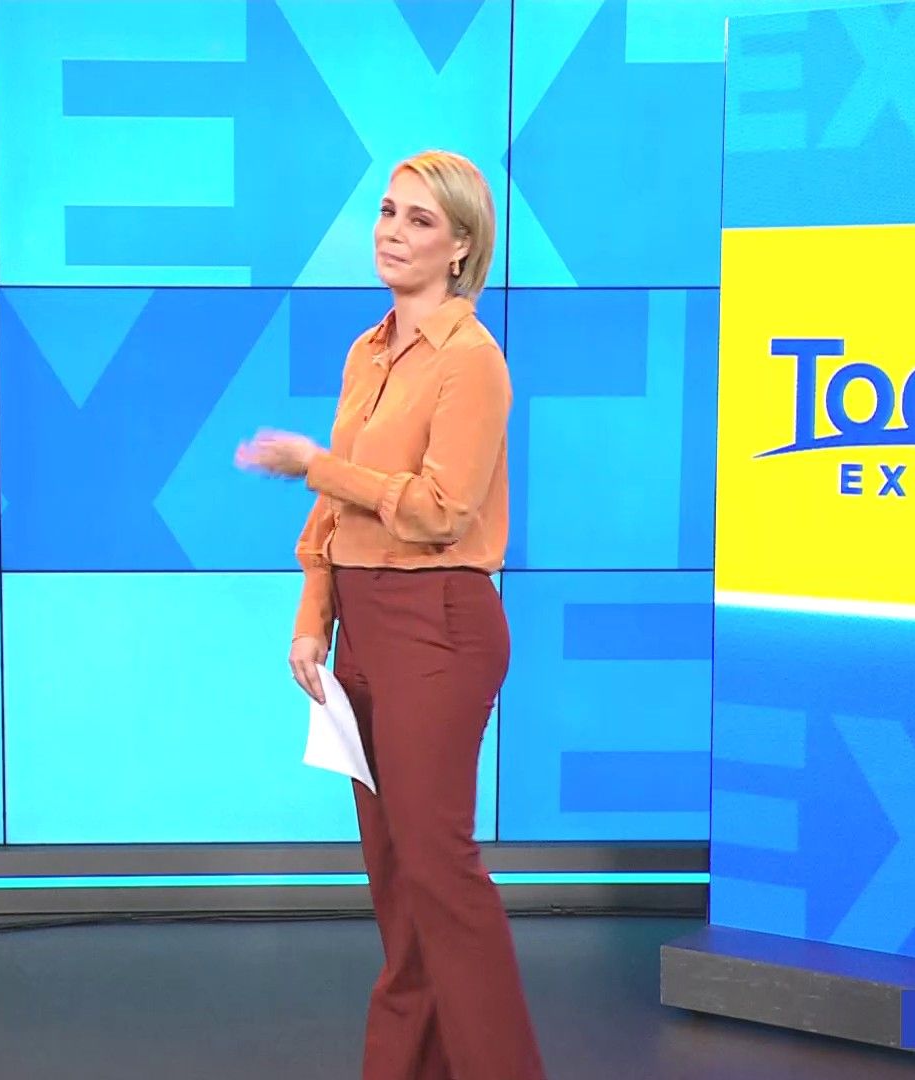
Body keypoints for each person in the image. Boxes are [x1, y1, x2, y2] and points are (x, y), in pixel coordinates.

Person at [236, 150, 545, 1080]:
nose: (393, 232)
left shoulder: (472, 362)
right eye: (387, 211)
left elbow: (442, 509)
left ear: (462, 248)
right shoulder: (366, 352)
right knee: (398, 884)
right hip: (366, 632)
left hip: (438, 625)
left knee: (438, 873)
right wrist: (314, 618)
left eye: (419, 220)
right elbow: (335, 514)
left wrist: (316, 465)